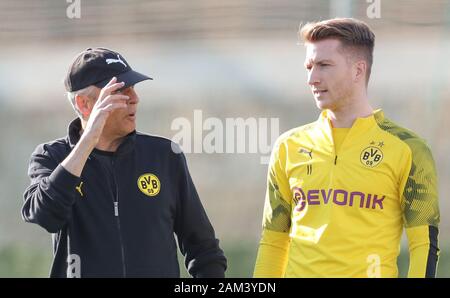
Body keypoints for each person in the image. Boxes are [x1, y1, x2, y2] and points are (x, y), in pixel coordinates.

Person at [253, 18, 439, 278]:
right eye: (309, 66)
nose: (312, 78)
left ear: (358, 71)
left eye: (324, 65)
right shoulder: (288, 146)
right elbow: (273, 241)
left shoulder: (408, 149)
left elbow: (423, 245)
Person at [22, 47, 227, 278]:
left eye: (134, 88)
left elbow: (204, 249)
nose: (135, 99)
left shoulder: (165, 156)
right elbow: (46, 215)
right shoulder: (51, 157)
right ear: (84, 104)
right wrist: (89, 139)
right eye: (121, 90)